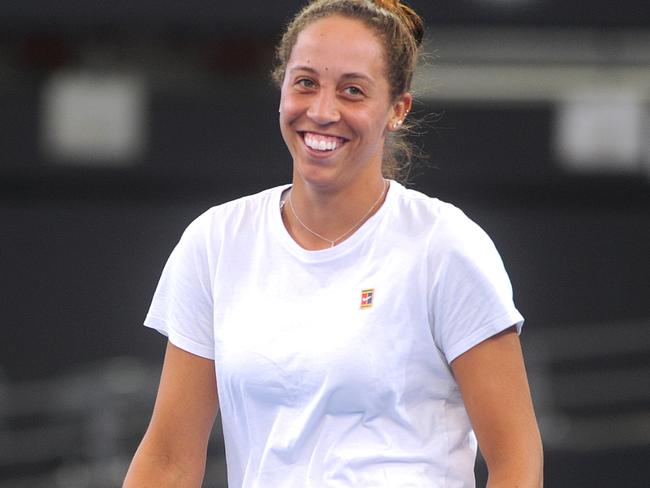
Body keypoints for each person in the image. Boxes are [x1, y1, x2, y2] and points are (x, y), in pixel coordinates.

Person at [123, 0, 543, 486]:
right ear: (281, 90)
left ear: (397, 110)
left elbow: (516, 458)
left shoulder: (445, 246)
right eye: (305, 83)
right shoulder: (215, 242)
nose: (322, 111)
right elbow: (169, 458)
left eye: (352, 91)